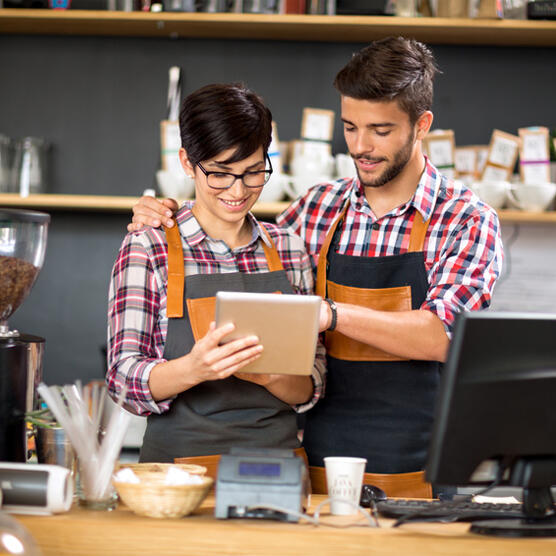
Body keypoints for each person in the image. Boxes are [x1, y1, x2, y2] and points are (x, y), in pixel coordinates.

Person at [128, 37, 503, 496]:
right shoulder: (318, 209)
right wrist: (167, 215)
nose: (361, 146)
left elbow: (446, 335)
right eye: (349, 127)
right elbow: (233, 234)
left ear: (420, 125)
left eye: (380, 131)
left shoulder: (465, 218)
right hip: (319, 467)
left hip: (420, 470)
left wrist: (332, 313)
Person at [107, 83, 326, 469]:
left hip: (279, 472)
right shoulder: (149, 247)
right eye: (220, 174)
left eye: (254, 172)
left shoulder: (290, 250)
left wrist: (272, 376)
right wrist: (194, 368)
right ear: (188, 163)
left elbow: (311, 384)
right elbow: (123, 380)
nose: (238, 191)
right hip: (175, 477)